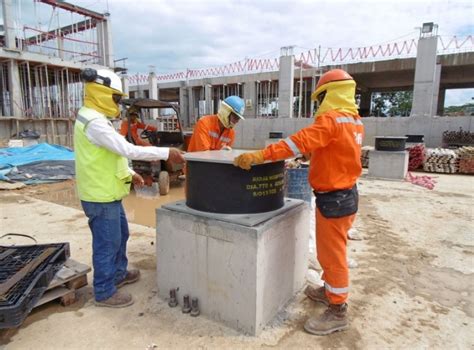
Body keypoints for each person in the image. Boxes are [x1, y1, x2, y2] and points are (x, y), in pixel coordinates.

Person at [233, 69, 364, 336]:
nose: (319, 103)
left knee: (332, 254)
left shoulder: (331, 120)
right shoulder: (353, 120)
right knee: (332, 250)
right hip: (346, 194)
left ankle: (338, 309)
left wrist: (260, 155)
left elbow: (298, 143)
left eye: (321, 96)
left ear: (329, 94)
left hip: (334, 198)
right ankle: (329, 290)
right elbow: (332, 151)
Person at [74, 68, 185, 308]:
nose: (117, 104)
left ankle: (118, 274)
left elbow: (111, 155)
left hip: (108, 192)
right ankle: (104, 291)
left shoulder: (96, 118)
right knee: (107, 243)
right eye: (115, 98)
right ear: (101, 92)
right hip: (99, 195)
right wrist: (167, 152)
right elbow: (128, 149)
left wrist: (131, 173)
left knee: (120, 235)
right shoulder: (94, 123)